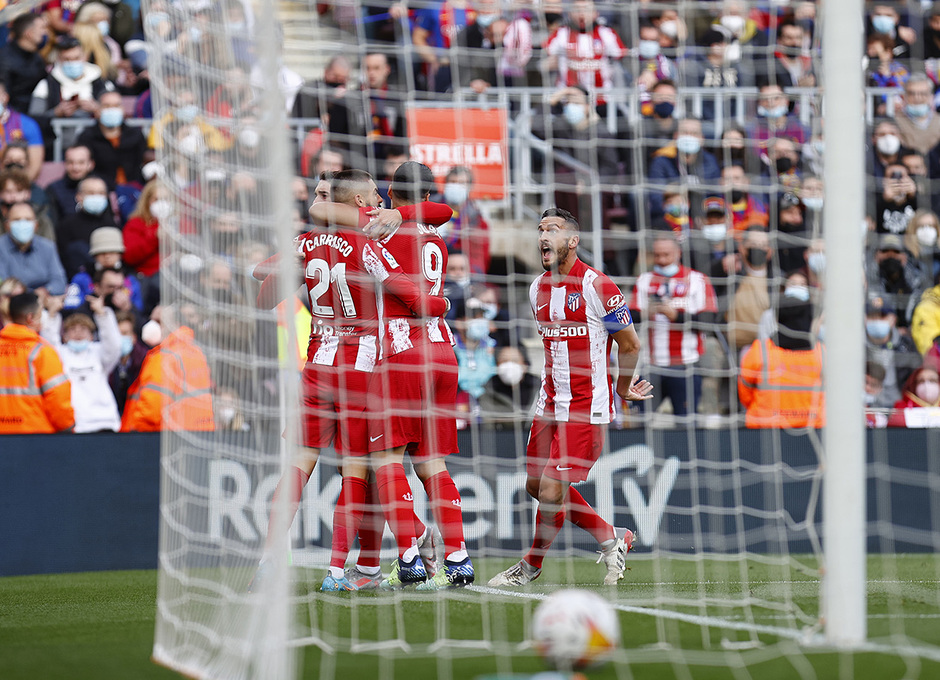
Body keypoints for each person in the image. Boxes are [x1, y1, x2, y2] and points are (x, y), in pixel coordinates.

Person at [256, 169, 454, 592]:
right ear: (362, 203)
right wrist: (442, 302)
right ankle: (361, 566)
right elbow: (415, 294)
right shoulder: (368, 239)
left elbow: (261, 286)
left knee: (297, 467)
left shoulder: (306, 242)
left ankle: (276, 561)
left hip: (317, 364)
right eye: (374, 199)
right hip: (363, 368)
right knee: (362, 473)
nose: (381, 203)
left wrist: (286, 266)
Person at [488, 207, 653, 588]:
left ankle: (529, 567)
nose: (544, 236)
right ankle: (613, 537)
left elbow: (629, 344)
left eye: (554, 230)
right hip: (548, 404)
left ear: (572, 241)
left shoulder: (598, 286)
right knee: (535, 486)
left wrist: (622, 387)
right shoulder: (535, 289)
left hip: (585, 407)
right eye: (541, 229)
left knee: (550, 489)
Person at [344, 161, 475, 591]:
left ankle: (409, 557)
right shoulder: (435, 236)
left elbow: (410, 295)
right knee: (433, 462)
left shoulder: (379, 231)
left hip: (400, 352)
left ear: (390, 192)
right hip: (442, 353)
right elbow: (440, 213)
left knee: (386, 459)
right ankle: (457, 556)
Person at [629, 233, 718, 419]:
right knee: (641, 420)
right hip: (652, 365)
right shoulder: (644, 280)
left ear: (678, 253)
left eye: (666, 255)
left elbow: (709, 322)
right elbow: (629, 318)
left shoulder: (697, 280)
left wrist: (676, 316)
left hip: (686, 364)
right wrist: (647, 313)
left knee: (686, 422)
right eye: (657, 255)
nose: (661, 260)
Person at [120, 305, 215, 432]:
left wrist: (135, 431)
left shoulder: (164, 356)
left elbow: (152, 409)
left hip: (162, 436)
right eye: (151, 320)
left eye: (159, 321)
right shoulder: (196, 353)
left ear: (175, 323)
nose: (151, 326)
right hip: (198, 431)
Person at [738, 288, 824, 428]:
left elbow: (745, 395)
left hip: (764, 428)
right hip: (814, 428)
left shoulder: (759, 351)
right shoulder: (822, 354)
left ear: (777, 319)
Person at [42, 296, 122, 432]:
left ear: (92, 336)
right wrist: (51, 315)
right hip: (75, 424)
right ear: (64, 336)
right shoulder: (60, 354)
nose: (78, 332)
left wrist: (102, 314)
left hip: (104, 422)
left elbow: (114, 345)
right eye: (72, 329)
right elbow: (48, 344)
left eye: (84, 329)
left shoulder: (99, 353)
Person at [0, 291, 75, 434]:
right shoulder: (42, 351)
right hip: (35, 437)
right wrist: (67, 427)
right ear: (30, 318)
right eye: (41, 312)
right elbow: (57, 397)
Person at [76, 89, 147, 191]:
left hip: (134, 190)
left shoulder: (135, 134)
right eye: (107, 106)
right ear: (98, 110)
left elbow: (142, 162)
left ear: (122, 109)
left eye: (116, 106)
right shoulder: (87, 137)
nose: (112, 110)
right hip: (100, 192)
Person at [64, 226, 143, 313]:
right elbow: (71, 307)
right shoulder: (81, 278)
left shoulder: (130, 280)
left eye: (112, 252)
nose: (107, 256)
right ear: (94, 255)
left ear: (120, 254)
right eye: (102, 253)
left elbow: (139, 310)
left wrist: (127, 306)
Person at [0, 202, 68, 296]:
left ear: (36, 225)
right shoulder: (1, 247)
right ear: (7, 225)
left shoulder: (48, 247)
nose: (22, 224)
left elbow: (59, 282)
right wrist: (32, 295)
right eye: (17, 220)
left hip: (44, 301)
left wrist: (46, 291)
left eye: (28, 219)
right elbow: (4, 285)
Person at [55, 176, 117, 277]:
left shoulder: (112, 226)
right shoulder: (66, 226)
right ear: (78, 196)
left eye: (101, 193)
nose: (96, 197)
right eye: (91, 193)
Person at [0, 14, 50, 114]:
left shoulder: (36, 56)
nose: (45, 32)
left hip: (36, 111)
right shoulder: (5, 59)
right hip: (15, 117)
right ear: (29, 33)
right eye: (42, 28)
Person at [47, 145, 97, 226]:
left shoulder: (99, 187)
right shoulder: (54, 189)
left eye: (81, 162)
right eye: (70, 162)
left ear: (91, 164)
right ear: (65, 164)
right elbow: (52, 224)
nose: (75, 168)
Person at [109, 309, 147, 414]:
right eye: (117, 333)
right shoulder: (103, 362)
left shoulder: (145, 360)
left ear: (134, 337)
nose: (120, 338)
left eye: (125, 333)